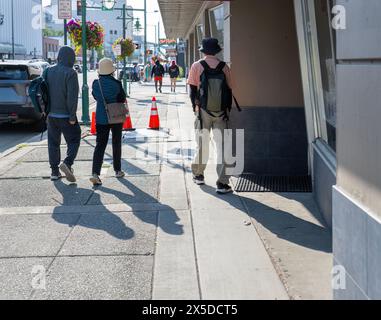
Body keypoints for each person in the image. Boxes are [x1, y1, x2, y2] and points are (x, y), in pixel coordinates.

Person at [188, 38, 234, 194]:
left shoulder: (196, 66)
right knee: (222, 147)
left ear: (203, 51)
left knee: (202, 143)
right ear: (217, 51)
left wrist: (196, 108)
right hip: (221, 112)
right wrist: (226, 110)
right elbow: (229, 89)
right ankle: (222, 183)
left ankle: (199, 175)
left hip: (203, 112)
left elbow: (192, 90)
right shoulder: (224, 67)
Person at [46, 46, 81, 183]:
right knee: (74, 139)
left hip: (51, 115)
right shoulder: (71, 73)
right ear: (71, 58)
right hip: (66, 115)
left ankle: (54, 171)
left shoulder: (48, 71)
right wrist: (72, 116)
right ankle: (67, 163)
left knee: (53, 143)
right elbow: (72, 98)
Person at [90, 58, 127, 186]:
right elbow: (122, 98)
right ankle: (117, 170)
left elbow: (95, 96)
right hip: (116, 117)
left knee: (100, 145)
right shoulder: (117, 84)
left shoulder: (96, 84)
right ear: (112, 70)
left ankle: (95, 173)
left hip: (101, 118)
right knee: (116, 143)